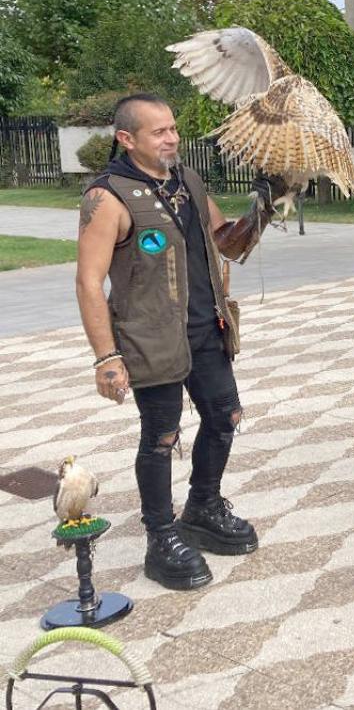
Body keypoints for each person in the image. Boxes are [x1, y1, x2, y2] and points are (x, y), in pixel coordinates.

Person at [75, 93, 257, 591]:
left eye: (173, 128)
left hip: (206, 328)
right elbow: (89, 282)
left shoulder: (189, 182)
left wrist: (265, 206)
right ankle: (160, 535)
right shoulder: (107, 196)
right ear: (127, 139)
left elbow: (227, 242)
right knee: (161, 437)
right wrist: (106, 357)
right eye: (159, 131)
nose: (172, 138)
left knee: (225, 418)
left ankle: (203, 506)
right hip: (149, 337)